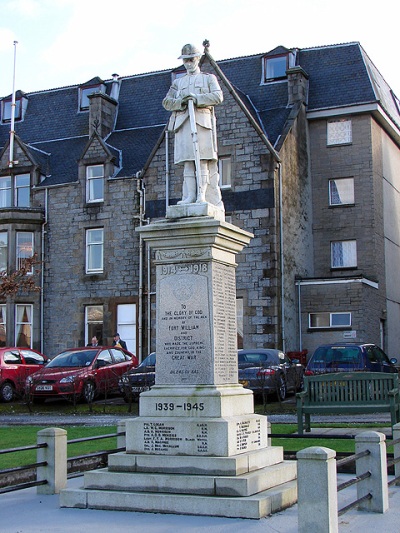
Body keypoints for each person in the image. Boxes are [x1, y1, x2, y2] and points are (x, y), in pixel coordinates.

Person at [162, 43, 224, 208]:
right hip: (183, 124)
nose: (188, 63)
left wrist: (197, 99)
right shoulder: (178, 83)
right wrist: (181, 102)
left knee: (201, 160)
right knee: (188, 161)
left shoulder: (208, 78)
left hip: (202, 124)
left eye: (191, 59)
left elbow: (218, 97)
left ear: (197, 59)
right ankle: (190, 196)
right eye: (185, 60)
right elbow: (167, 102)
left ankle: (202, 196)